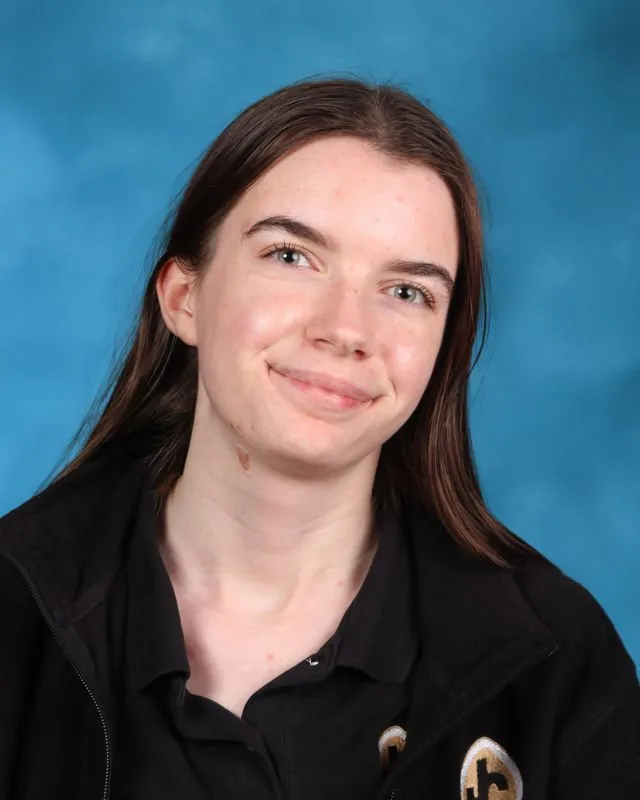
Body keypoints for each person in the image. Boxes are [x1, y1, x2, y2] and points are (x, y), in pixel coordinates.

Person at [0, 77, 638, 800]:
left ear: (442, 352)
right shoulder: (14, 610)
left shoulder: (555, 660)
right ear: (185, 297)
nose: (345, 329)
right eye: (291, 256)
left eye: (406, 292)